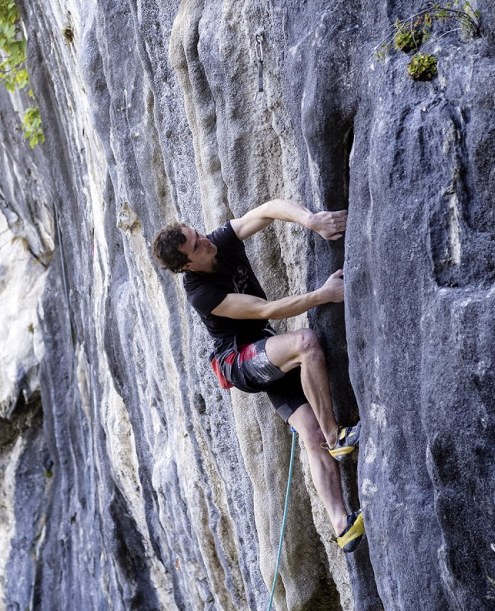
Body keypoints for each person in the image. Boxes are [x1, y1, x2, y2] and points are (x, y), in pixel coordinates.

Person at [152, 199, 366, 552]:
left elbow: (266, 210)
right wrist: (324, 295)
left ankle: (342, 526)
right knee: (305, 344)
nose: (205, 239)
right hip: (240, 361)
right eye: (196, 244)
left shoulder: (216, 241)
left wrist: (312, 221)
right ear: (189, 263)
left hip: (264, 348)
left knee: (309, 433)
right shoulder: (201, 293)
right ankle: (337, 437)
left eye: (197, 233)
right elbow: (265, 310)